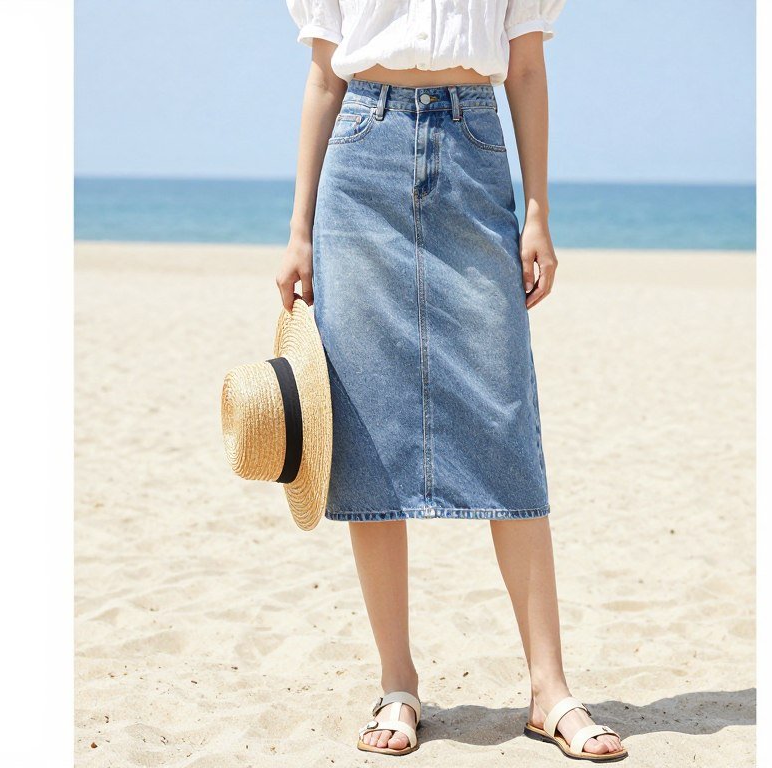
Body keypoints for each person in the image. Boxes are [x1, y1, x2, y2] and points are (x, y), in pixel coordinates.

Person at [281, 0, 627, 760]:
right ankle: (398, 683)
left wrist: (537, 212)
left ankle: (550, 691)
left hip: (475, 146)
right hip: (361, 156)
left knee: (505, 422)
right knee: (368, 427)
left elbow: (528, 67)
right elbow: (322, 76)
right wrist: (300, 230)